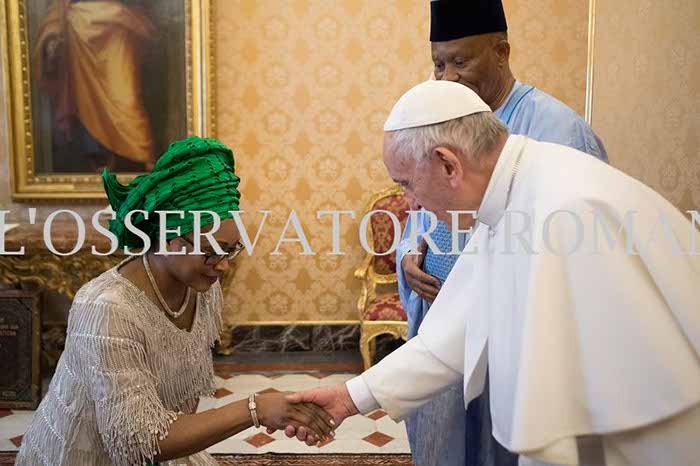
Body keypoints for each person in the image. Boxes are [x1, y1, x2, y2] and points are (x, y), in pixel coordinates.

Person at [285, 81, 700, 466]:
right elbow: (456, 330)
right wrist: (350, 396)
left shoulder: (565, 210)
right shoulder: (510, 195)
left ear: (448, 164)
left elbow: (585, 413)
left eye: (407, 183)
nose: (410, 204)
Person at [16, 137, 335, 466]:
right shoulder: (106, 307)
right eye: (211, 251)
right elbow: (137, 444)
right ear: (168, 236)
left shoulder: (201, 286)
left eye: (231, 249)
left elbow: (184, 399)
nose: (223, 265)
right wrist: (255, 409)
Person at [398, 1, 608, 464]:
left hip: (517, 344)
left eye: (461, 61)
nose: (449, 78)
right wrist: (410, 252)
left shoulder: (558, 129)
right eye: (438, 64)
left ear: (501, 52)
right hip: (444, 336)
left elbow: (581, 250)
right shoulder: (439, 122)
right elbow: (419, 210)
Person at [34, 0, 157, 172]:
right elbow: (58, 9)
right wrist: (51, 39)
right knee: (87, 101)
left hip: (118, 32)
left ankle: (142, 160)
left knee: (126, 101)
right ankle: (98, 159)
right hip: (80, 36)